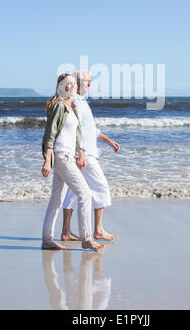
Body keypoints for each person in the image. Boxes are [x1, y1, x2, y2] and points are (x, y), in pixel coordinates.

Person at [41, 73, 104, 252]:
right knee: (84, 193)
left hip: (69, 155)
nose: (73, 86)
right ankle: (86, 238)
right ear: (63, 86)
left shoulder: (73, 107)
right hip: (60, 155)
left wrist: (79, 155)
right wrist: (47, 161)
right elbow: (49, 135)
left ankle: (47, 240)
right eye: (68, 83)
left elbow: (76, 136)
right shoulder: (59, 106)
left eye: (74, 83)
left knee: (57, 199)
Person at [61, 70, 119, 242]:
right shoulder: (75, 103)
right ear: (78, 84)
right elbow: (73, 129)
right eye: (88, 81)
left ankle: (66, 231)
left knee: (72, 193)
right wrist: (80, 153)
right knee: (101, 187)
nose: (90, 84)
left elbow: (90, 129)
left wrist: (108, 140)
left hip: (83, 153)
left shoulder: (81, 102)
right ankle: (98, 230)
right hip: (84, 154)